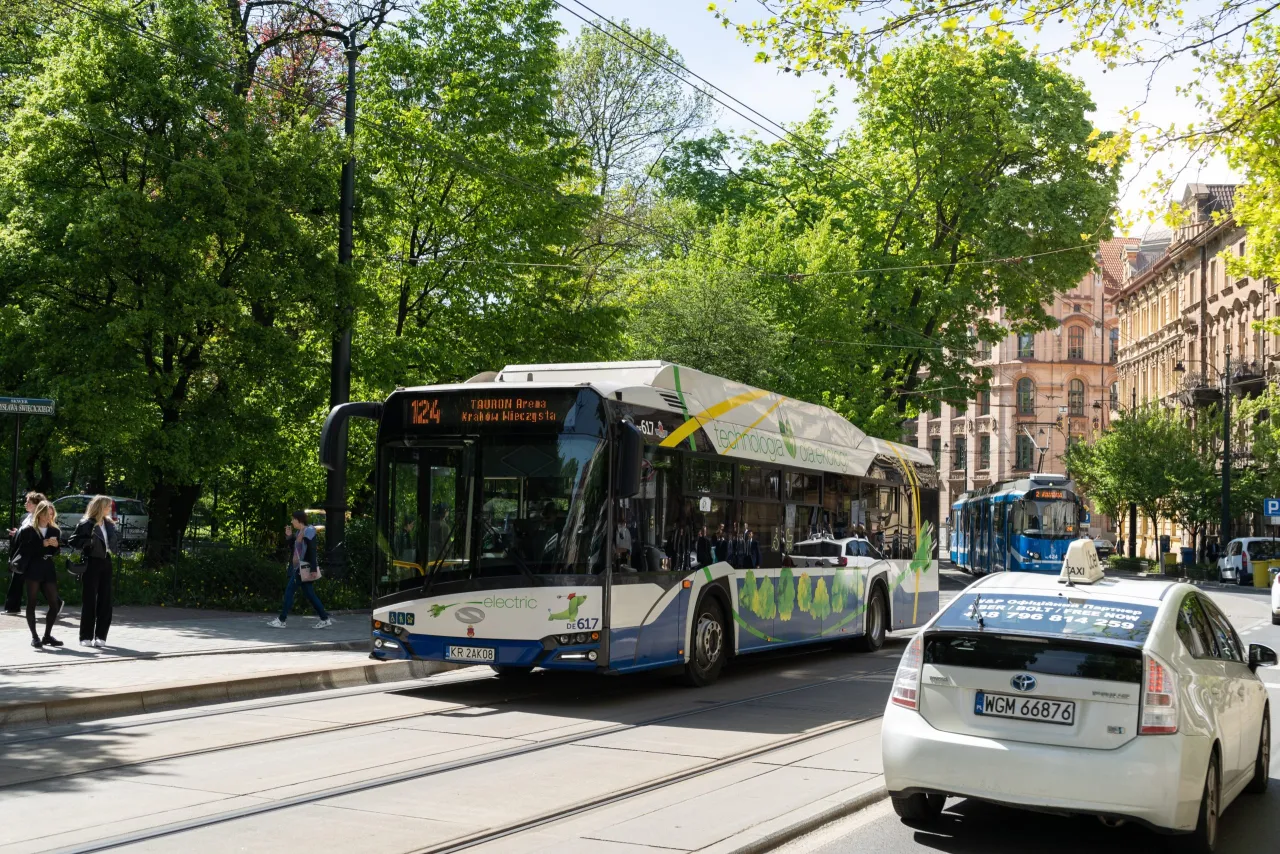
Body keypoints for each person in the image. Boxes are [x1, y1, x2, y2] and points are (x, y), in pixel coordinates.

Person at [269, 510, 333, 629]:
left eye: (293, 519)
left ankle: (281, 620)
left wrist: (313, 568)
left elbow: (312, 550)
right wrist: (289, 536)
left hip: (303, 568)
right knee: (310, 595)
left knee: (289, 592)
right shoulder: (299, 532)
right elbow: (295, 549)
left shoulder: (309, 531)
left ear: (299, 520)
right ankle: (325, 618)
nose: (292, 521)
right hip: (299, 568)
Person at [14, 501, 63, 648]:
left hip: (47, 567)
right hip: (33, 568)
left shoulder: (54, 531)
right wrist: (42, 544)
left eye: (51, 514)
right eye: (47, 514)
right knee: (32, 602)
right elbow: (23, 550)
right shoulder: (28, 530)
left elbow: (56, 551)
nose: (49, 516)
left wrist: (55, 547)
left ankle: (47, 635)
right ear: (40, 513)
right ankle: (34, 637)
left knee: (54, 604)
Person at [72, 495, 116, 648]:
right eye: (107, 506)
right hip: (91, 562)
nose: (109, 509)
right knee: (89, 600)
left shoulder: (109, 524)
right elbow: (73, 541)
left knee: (105, 600)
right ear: (99, 507)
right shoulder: (86, 523)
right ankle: (85, 636)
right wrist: (88, 542)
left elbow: (113, 543)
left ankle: (101, 636)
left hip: (106, 562)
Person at [5, 491, 47, 615]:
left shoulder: (40, 518)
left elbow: (36, 536)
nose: (26, 504)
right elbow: (25, 533)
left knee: (33, 580)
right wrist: (17, 533)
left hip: (31, 554)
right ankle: (12, 607)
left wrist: (19, 534)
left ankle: (56, 601)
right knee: (18, 577)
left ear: (37, 504)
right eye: (26, 501)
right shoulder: (27, 517)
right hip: (23, 552)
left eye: (29, 502)